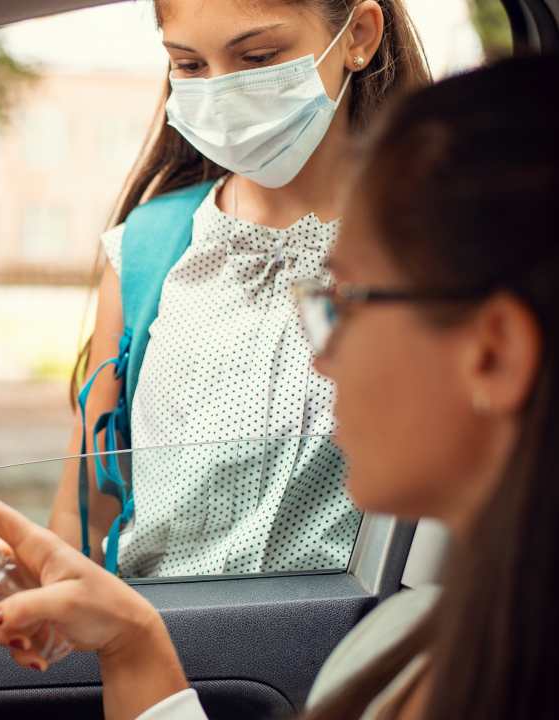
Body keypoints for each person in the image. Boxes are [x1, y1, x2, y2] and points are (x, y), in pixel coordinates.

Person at [0, 53, 559, 718]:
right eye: (189, 63)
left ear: (493, 353)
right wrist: (132, 641)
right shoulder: (417, 644)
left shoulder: (422, 652)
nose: (321, 359)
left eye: (346, 300)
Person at [49, 0, 429, 577]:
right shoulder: (146, 251)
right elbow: (85, 520)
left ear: (359, 34)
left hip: (351, 647)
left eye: (258, 56)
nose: (222, 95)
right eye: (191, 66)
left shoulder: (433, 243)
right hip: (165, 646)